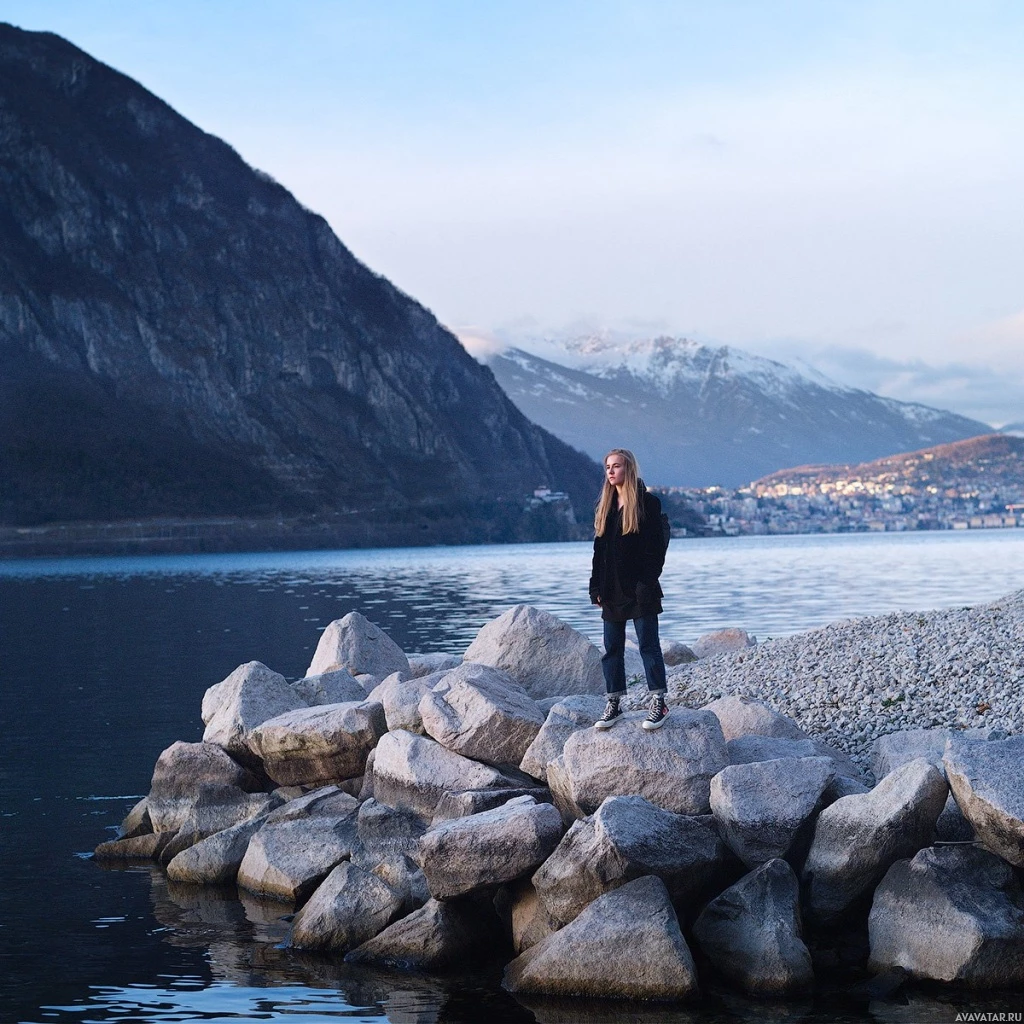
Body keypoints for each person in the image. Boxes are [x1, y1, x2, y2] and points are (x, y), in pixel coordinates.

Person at [589, 448, 669, 731]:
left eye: (617, 466)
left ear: (629, 469)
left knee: (649, 646)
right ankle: (614, 703)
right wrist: (595, 586)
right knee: (611, 650)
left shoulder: (648, 503)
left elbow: (656, 551)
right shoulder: (606, 507)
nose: (611, 471)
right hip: (611, 591)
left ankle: (659, 701)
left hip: (640, 590)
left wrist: (646, 585)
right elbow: (599, 552)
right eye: (608, 467)